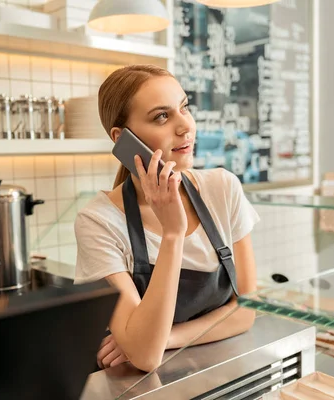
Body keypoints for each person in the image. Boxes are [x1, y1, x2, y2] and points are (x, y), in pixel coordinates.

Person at [74, 64, 260, 373]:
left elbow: (247, 310)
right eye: (162, 116)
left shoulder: (223, 188)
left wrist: (168, 338)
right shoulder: (99, 222)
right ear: (122, 139)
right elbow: (146, 358)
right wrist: (173, 233)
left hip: (215, 373)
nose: (185, 126)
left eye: (184, 108)